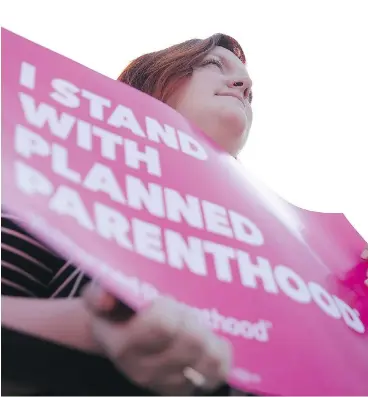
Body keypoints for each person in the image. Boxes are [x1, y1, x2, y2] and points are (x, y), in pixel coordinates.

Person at [2, 33, 254, 396]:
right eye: (214, 64)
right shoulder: (52, 187)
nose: (244, 85)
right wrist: (88, 328)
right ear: (149, 80)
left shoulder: (290, 259)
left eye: (250, 91)